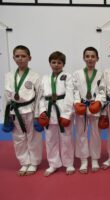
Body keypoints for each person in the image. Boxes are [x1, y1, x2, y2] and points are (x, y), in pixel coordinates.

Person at [2, 45, 43, 176]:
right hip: (15, 111)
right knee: (18, 138)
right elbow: (6, 96)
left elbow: (39, 96)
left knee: (33, 137)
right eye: (17, 56)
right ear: (13, 58)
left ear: (29, 58)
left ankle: (34, 162)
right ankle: (24, 162)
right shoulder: (8, 75)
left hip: (30, 109)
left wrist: (38, 114)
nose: (20, 59)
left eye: (23, 56)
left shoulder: (35, 76)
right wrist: (6, 115)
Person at [37, 51, 75, 176]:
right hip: (49, 110)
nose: (56, 65)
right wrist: (42, 112)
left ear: (63, 64)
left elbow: (70, 95)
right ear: (50, 63)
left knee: (66, 138)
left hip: (62, 109)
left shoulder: (67, 76)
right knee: (50, 139)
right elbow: (41, 97)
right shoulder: (45, 78)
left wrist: (66, 114)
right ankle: (53, 164)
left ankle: (69, 163)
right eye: (53, 62)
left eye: (59, 62)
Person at [73, 47, 105, 174]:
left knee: (96, 135)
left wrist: (99, 102)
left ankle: (95, 159)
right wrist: (76, 103)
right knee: (81, 134)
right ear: (84, 58)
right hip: (81, 107)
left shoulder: (101, 74)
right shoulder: (77, 73)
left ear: (97, 58)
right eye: (87, 56)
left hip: (94, 106)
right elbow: (74, 90)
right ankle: (84, 160)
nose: (90, 59)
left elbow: (103, 90)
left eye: (93, 56)